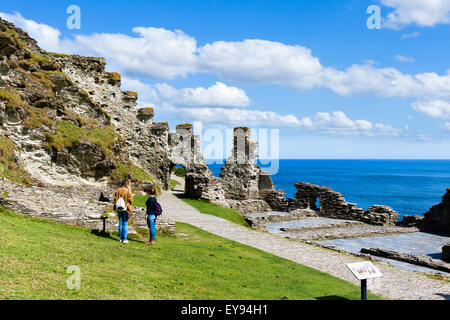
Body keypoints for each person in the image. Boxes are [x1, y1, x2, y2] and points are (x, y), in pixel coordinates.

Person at [114, 179, 133, 244]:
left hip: (119, 208)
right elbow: (131, 200)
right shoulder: (128, 190)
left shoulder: (118, 190)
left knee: (120, 222)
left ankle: (120, 238)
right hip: (126, 208)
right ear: (127, 184)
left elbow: (115, 199)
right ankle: (125, 239)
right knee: (125, 223)